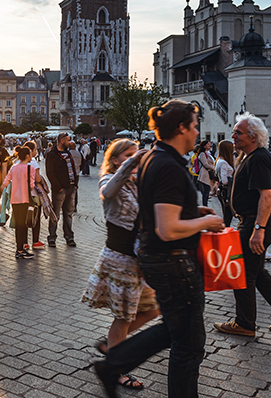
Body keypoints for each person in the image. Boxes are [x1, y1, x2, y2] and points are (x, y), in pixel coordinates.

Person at [95, 100, 225, 398]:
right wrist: (206, 224)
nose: (196, 132)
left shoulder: (156, 157)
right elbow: (167, 228)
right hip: (173, 262)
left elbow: (154, 211)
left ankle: (113, 364)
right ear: (181, 128)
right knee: (189, 345)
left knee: (177, 331)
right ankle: (113, 363)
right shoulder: (168, 165)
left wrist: (192, 213)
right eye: (194, 126)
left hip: (160, 260)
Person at [214, 114, 271, 337]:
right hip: (251, 222)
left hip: (255, 223)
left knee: (242, 273)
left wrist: (258, 229)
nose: (233, 135)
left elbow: (267, 197)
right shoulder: (249, 157)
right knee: (258, 273)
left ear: (253, 137)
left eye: (238, 132)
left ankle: (244, 323)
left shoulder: (258, 159)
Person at [82, 139, 159, 390]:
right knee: (123, 317)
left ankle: (112, 345)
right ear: (116, 159)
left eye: (135, 154)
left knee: (152, 309)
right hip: (120, 258)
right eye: (127, 155)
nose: (133, 158)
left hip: (138, 259)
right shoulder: (109, 178)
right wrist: (132, 163)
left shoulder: (137, 183)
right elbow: (108, 192)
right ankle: (116, 367)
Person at [1, 146, 36, 259]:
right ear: (27, 156)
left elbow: (7, 180)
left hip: (14, 199)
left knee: (19, 224)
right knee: (23, 224)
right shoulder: (30, 168)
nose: (31, 156)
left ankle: (20, 248)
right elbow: (31, 186)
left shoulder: (14, 167)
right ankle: (21, 250)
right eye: (30, 154)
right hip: (24, 198)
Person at [45, 133, 79, 247]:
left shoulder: (68, 153)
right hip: (60, 189)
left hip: (71, 187)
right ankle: (52, 237)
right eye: (68, 140)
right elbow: (50, 172)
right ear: (62, 140)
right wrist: (58, 187)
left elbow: (73, 169)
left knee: (68, 214)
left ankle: (69, 237)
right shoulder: (52, 155)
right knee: (55, 214)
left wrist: (75, 184)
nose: (70, 142)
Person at [214, 140, 235, 226]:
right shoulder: (223, 163)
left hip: (222, 191)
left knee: (227, 215)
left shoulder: (219, 160)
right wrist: (232, 179)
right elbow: (224, 180)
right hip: (226, 191)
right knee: (227, 216)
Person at [196, 140, 214, 206]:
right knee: (206, 191)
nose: (210, 145)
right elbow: (205, 164)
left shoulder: (208, 153)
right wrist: (214, 167)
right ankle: (205, 205)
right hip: (205, 174)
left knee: (207, 191)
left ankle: (205, 205)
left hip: (208, 173)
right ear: (204, 146)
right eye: (208, 144)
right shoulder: (202, 154)